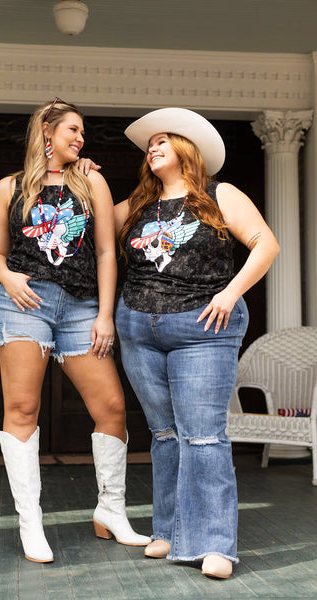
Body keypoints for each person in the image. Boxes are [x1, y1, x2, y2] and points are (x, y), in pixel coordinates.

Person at [113, 108, 280, 579]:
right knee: (164, 435)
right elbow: (90, 228)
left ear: (189, 149)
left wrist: (230, 293)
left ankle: (214, 545)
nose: (153, 147)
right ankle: (167, 530)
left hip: (202, 328)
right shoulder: (139, 205)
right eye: (150, 144)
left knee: (203, 435)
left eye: (163, 140)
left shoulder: (218, 194)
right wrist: (79, 175)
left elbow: (265, 244)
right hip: (138, 328)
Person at [0, 98, 150, 564]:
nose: (80, 138)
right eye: (72, 130)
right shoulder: (9, 188)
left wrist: (104, 315)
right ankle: (30, 521)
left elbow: (104, 253)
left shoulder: (91, 181)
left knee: (112, 408)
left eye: (83, 132)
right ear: (46, 132)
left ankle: (111, 511)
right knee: (22, 407)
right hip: (25, 303)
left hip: (81, 308)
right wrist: (7, 276)